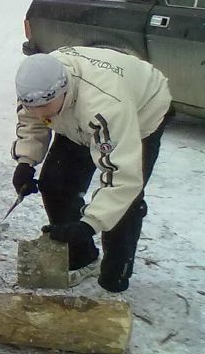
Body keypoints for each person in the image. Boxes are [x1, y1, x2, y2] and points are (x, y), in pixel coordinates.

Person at [11, 46, 172, 292]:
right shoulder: (37, 87)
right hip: (76, 117)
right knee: (55, 185)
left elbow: (121, 179)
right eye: (32, 107)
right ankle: (83, 257)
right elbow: (33, 119)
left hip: (141, 113)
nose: (39, 114)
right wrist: (26, 160)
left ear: (63, 90)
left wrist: (89, 224)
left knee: (123, 204)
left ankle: (116, 273)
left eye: (45, 107)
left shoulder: (105, 105)